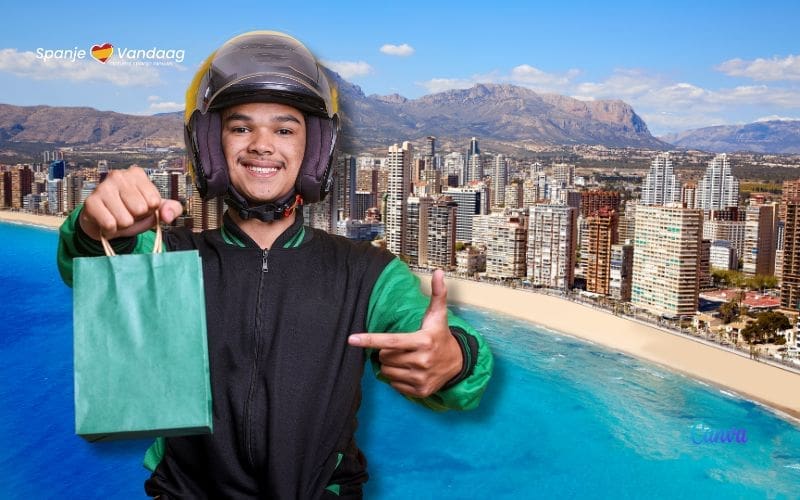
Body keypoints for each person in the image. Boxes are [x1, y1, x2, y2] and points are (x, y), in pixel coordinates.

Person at [57, 31, 492, 498]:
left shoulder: (367, 272)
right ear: (210, 145)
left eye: (285, 130)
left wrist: (455, 359)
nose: (262, 145)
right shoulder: (167, 254)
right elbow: (85, 263)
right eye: (240, 127)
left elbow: (430, 335)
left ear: (314, 149)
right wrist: (93, 224)